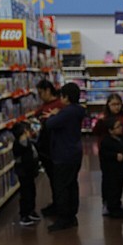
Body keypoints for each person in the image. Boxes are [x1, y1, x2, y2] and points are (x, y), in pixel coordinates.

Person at [43, 83, 85, 232]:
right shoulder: (77, 110)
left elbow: (50, 124)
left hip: (64, 155)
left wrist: (54, 115)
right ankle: (71, 216)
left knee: (61, 187)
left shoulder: (67, 112)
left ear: (66, 97)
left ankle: (63, 218)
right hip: (74, 152)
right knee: (71, 184)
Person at [36, 80, 63, 217]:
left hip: (55, 148)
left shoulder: (58, 106)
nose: (40, 96)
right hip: (46, 149)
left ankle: (60, 205)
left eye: (41, 93)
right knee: (53, 179)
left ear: (47, 90)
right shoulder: (45, 106)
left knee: (57, 178)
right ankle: (56, 203)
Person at [98, 118, 123, 218]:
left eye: (121, 126)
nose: (120, 128)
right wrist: (114, 155)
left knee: (119, 188)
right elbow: (103, 154)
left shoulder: (122, 139)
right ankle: (113, 209)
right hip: (111, 171)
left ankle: (117, 205)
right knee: (112, 190)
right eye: (117, 127)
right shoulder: (106, 141)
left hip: (121, 170)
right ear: (110, 130)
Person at [11, 122, 40, 226]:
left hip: (30, 172)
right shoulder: (20, 144)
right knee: (25, 193)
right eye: (27, 131)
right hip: (24, 172)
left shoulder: (27, 142)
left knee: (31, 192)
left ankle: (31, 211)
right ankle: (24, 215)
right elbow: (23, 156)